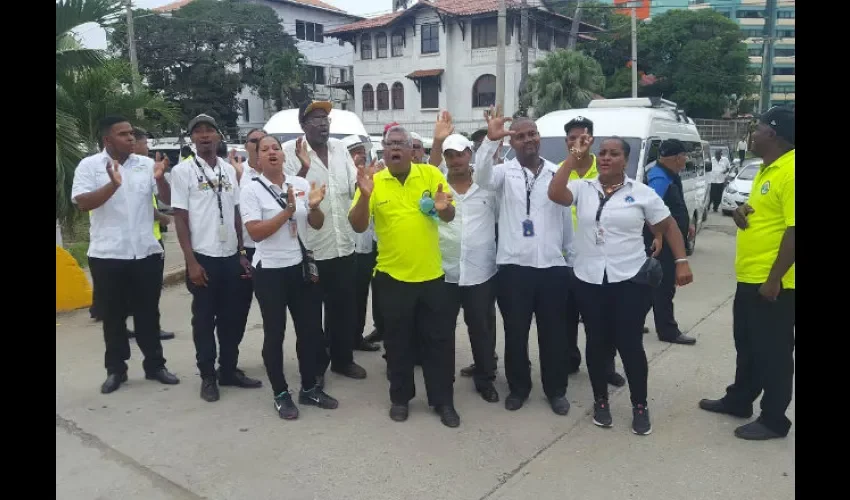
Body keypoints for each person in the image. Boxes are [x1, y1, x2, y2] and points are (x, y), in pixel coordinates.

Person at [549, 134, 694, 436]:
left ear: (625, 160)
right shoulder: (582, 188)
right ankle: (601, 400)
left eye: (613, 154)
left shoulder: (641, 193)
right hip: (589, 280)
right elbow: (555, 192)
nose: (605, 158)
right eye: (602, 153)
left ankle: (639, 405)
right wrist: (574, 156)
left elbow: (667, 226)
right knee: (597, 342)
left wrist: (681, 261)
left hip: (629, 280)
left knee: (629, 344)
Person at [349, 125, 460, 428]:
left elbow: (448, 215)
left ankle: (443, 401)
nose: (395, 148)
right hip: (391, 278)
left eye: (401, 143)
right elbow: (358, 226)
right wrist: (363, 196)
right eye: (390, 144)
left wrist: (444, 208)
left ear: (413, 150)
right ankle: (400, 398)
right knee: (398, 344)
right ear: (383, 150)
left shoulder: (430, 175)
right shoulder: (374, 182)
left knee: (439, 343)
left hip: (432, 277)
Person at [699, 106, 795, 441]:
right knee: (748, 345)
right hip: (751, 276)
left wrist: (774, 280)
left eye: (758, 129)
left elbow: (795, 230)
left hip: (777, 282)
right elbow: (768, 213)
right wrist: (743, 211)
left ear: (775, 133)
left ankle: (773, 420)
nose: (752, 134)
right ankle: (740, 400)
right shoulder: (768, 169)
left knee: (774, 352)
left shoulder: (793, 170)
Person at [474, 105, 573, 416]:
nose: (528, 139)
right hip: (515, 269)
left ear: (539, 138)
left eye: (533, 134)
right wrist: (491, 142)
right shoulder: (503, 173)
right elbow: (481, 176)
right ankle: (519, 388)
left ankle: (556, 390)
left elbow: (565, 219)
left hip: (552, 268)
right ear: (512, 142)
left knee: (553, 334)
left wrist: (568, 259)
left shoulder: (558, 172)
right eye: (520, 136)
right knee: (516, 334)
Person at [71, 116, 179, 394]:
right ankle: (116, 370)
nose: (131, 138)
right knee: (113, 317)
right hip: (108, 254)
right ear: (108, 140)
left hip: (146, 252)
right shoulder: (89, 166)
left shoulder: (145, 165)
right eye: (124, 134)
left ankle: (155, 366)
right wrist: (112, 186)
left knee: (148, 314)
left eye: (132, 133)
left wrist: (161, 178)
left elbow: (167, 200)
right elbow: (83, 203)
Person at [241, 135, 338, 420]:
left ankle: (309, 388)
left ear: (284, 157)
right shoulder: (251, 190)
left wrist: (316, 207)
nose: (271, 153)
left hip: (300, 268)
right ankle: (281, 393)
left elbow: (316, 225)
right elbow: (256, 232)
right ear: (257, 158)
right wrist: (288, 211)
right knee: (275, 334)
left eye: (275, 149)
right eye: (264, 150)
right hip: (270, 271)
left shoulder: (299, 185)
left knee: (309, 332)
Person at [171, 114, 263, 402]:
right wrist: (191, 262)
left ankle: (229, 369)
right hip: (203, 256)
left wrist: (241, 253)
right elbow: (181, 218)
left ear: (219, 135)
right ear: (192, 139)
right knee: (203, 320)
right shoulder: (182, 172)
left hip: (230, 256)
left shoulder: (228, 170)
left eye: (210, 130)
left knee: (233, 317)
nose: (204, 135)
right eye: (198, 131)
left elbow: (236, 213)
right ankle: (208, 375)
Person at [284, 101, 368, 381]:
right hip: (311, 251)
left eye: (326, 119)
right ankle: (316, 368)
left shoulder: (340, 149)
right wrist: (304, 170)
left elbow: (351, 189)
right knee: (310, 317)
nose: (323, 123)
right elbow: (286, 196)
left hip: (344, 246)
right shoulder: (290, 153)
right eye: (316, 118)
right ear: (303, 125)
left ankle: (342, 360)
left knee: (343, 311)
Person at [560, 117, 626, 386]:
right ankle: (569, 360)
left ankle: (606, 367)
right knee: (564, 319)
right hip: (564, 261)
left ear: (591, 140)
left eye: (582, 138)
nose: (577, 143)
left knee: (600, 321)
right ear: (566, 142)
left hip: (597, 261)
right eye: (571, 139)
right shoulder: (560, 172)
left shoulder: (604, 172)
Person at [438, 133, 500, 403]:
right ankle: (443, 380)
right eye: (449, 155)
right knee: (442, 330)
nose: (455, 160)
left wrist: (491, 139)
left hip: (480, 272)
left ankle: (485, 378)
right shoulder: (437, 186)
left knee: (481, 329)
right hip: (445, 271)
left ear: (470, 155)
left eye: (460, 153)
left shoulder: (488, 187)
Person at [643, 139, 697, 346]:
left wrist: (687, 226)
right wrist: (658, 236)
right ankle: (667, 331)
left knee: (651, 287)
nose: (686, 159)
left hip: (669, 239)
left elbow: (675, 206)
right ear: (677, 157)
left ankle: (635, 319)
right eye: (684, 156)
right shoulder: (659, 177)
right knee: (665, 287)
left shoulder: (669, 174)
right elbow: (651, 210)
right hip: (663, 243)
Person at [129, 126, 175, 340]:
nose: (147, 148)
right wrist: (163, 218)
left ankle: (146, 327)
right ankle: (148, 328)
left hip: (151, 238)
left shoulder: (147, 168)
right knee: (147, 290)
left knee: (148, 289)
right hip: (138, 239)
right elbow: (142, 205)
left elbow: (161, 198)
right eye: (145, 143)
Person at [344, 135, 382, 353]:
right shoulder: (342, 177)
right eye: (354, 152)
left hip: (369, 244)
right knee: (349, 297)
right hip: (349, 246)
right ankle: (347, 339)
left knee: (365, 295)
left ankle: (358, 335)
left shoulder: (373, 176)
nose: (360, 155)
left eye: (362, 151)